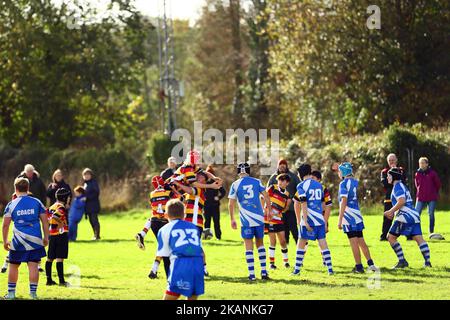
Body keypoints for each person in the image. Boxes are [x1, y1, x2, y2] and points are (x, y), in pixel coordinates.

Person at [2, 178, 49, 299]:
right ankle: (33, 294)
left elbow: (5, 225)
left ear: (15, 189)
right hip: (35, 240)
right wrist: (46, 237)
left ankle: (11, 293)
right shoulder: (37, 202)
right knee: (33, 266)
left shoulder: (11, 204)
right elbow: (45, 222)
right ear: (28, 188)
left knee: (13, 265)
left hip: (18, 241)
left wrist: (5, 240)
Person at [172, 171, 221, 277]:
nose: (198, 177)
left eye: (201, 176)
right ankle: (197, 268)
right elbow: (180, 196)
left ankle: (202, 268)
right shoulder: (190, 192)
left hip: (196, 223)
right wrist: (172, 186)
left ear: (205, 180)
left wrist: (178, 183)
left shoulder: (200, 190)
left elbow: (189, 189)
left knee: (196, 247)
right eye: (197, 175)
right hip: (187, 222)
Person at [228, 163, 272, 281]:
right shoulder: (256, 182)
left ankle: (252, 274)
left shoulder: (235, 184)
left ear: (238, 172)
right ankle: (263, 272)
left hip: (245, 220)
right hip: (258, 218)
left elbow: (231, 203)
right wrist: (269, 210)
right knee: (260, 244)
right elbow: (266, 196)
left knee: (248, 246)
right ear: (248, 171)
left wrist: (232, 219)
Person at [157, 199, 204, 300]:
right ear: (184, 215)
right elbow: (201, 251)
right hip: (197, 265)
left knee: (170, 297)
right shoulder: (193, 227)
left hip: (181, 264)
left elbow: (163, 253)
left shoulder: (164, 229)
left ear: (166, 215)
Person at [384, 167, 431, 269]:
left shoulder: (397, 186)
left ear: (393, 176)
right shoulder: (402, 185)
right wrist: (394, 211)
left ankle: (402, 261)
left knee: (390, 237)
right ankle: (427, 262)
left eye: (388, 175)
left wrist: (390, 211)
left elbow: (402, 201)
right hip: (414, 215)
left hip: (404, 216)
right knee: (419, 239)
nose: (387, 177)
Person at [135, 176, 181, 279]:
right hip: (164, 222)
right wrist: (173, 189)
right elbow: (179, 199)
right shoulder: (167, 192)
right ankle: (169, 274)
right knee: (166, 249)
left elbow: (154, 205)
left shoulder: (152, 194)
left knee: (162, 246)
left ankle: (154, 270)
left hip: (154, 223)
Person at [292, 164, 333, 276]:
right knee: (323, 244)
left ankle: (296, 270)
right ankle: (330, 269)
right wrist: (324, 220)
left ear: (300, 174)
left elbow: (303, 203)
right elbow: (324, 204)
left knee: (301, 244)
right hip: (319, 220)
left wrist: (305, 221)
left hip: (308, 220)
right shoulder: (320, 185)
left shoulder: (301, 186)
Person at [337, 163, 377, 273]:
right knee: (361, 240)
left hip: (348, 215)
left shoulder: (343, 184)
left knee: (353, 242)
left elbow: (343, 201)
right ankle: (371, 264)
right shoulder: (355, 182)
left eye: (339, 171)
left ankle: (359, 267)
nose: (338, 174)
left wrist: (340, 219)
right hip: (357, 214)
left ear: (344, 172)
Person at [267, 159, 300, 245]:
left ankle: (299, 244)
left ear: (286, 166)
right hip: (277, 209)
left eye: (284, 165)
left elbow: (300, 188)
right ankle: (286, 245)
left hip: (291, 207)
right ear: (278, 166)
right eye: (280, 165)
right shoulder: (274, 177)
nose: (282, 166)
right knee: (283, 228)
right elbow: (267, 192)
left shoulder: (292, 176)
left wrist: (295, 199)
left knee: (293, 227)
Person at [45, 188, 71, 286]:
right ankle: (62, 281)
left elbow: (48, 217)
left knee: (50, 257)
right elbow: (55, 216)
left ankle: (49, 280)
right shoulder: (61, 207)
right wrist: (60, 223)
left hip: (52, 235)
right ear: (64, 198)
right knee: (60, 257)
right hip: (61, 235)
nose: (69, 199)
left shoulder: (52, 206)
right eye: (68, 197)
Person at [266, 173, 291, 270]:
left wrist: (287, 207)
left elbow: (284, 209)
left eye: (283, 180)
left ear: (287, 183)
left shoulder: (287, 194)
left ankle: (286, 262)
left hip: (279, 218)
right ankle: (271, 263)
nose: (280, 182)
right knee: (273, 241)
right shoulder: (273, 188)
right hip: (270, 218)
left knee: (283, 241)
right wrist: (267, 211)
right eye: (279, 180)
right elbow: (264, 197)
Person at [380, 154, 407, 241]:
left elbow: (403, 180)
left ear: (396, 160)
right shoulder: (384, 172)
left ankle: (410, 235)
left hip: (400, 197)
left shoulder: (401, 170)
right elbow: (385, 183)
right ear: (387, 162)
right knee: (388, 217)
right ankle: (384, 236)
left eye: (393, 160)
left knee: (404, 216)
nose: (391, 162)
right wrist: (394, 178)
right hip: (389, 198)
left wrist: (395, 173)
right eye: (390, 160)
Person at [414, 157, 441, 235]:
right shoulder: (417, 174)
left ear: (427, 164)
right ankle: (416, 231)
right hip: (420, 197)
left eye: (423, 163)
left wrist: (433, 192)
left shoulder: (433, 173)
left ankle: (431, 231)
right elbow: (417, 185)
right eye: (420, 163)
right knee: (416, 214)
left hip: (431, 197)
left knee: (431, 214)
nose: (421, 165)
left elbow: (438, 184)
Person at [204, 165, 226, 240]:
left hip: (215, 205)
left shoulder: (216, 182)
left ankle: (218, 237)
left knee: (216, 221)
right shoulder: (204, 182)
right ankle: (206, 236)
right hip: (206, 205)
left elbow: (223, 192)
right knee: (207, 221)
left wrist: (218, 197)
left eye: (210, 173)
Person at [83, 168, 101, 240]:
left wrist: (87, 198)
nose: (86, 176)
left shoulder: (93, 182)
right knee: (91, 221)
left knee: (94, 220)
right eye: (85, 175)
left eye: (88, 174)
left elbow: (96, 193)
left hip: (94, 204)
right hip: (88, 206)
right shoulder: (85, 184)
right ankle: (95, 234)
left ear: (91, 175)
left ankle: (97, 235)